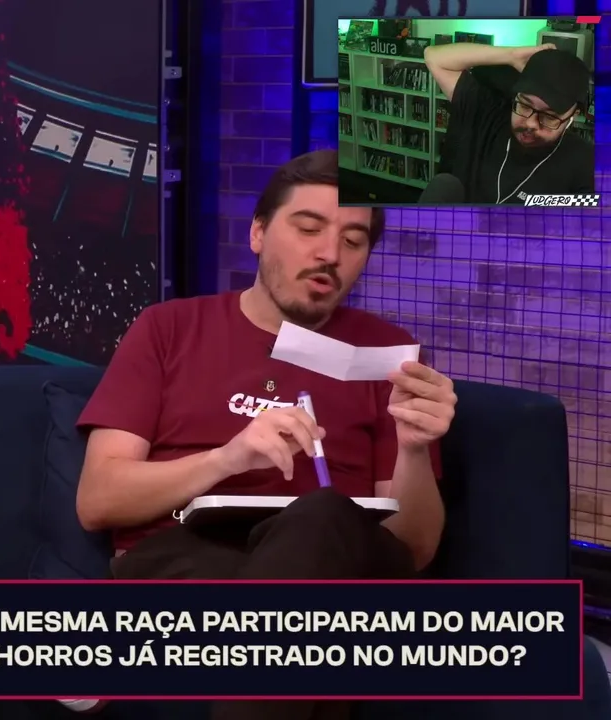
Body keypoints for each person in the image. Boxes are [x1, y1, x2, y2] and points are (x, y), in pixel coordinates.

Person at [68, 150, 456, 720]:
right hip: (186, 558)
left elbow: (413, 548)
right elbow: (98, 500)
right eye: (308, 229)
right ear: (257, 233)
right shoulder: (169, 328)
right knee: (313, 620)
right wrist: (227, 458)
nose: (330, 254)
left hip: (336, 554)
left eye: (353, 241)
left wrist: (416, 451)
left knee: (322, 516)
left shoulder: (387, 355)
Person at [424, 41, 594, 204]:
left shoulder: (586, 163)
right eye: (525, 105)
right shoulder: (489, 115)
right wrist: (511, 55)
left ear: (572, 116)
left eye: (549, 116)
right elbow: (434, 57)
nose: (531, 123)